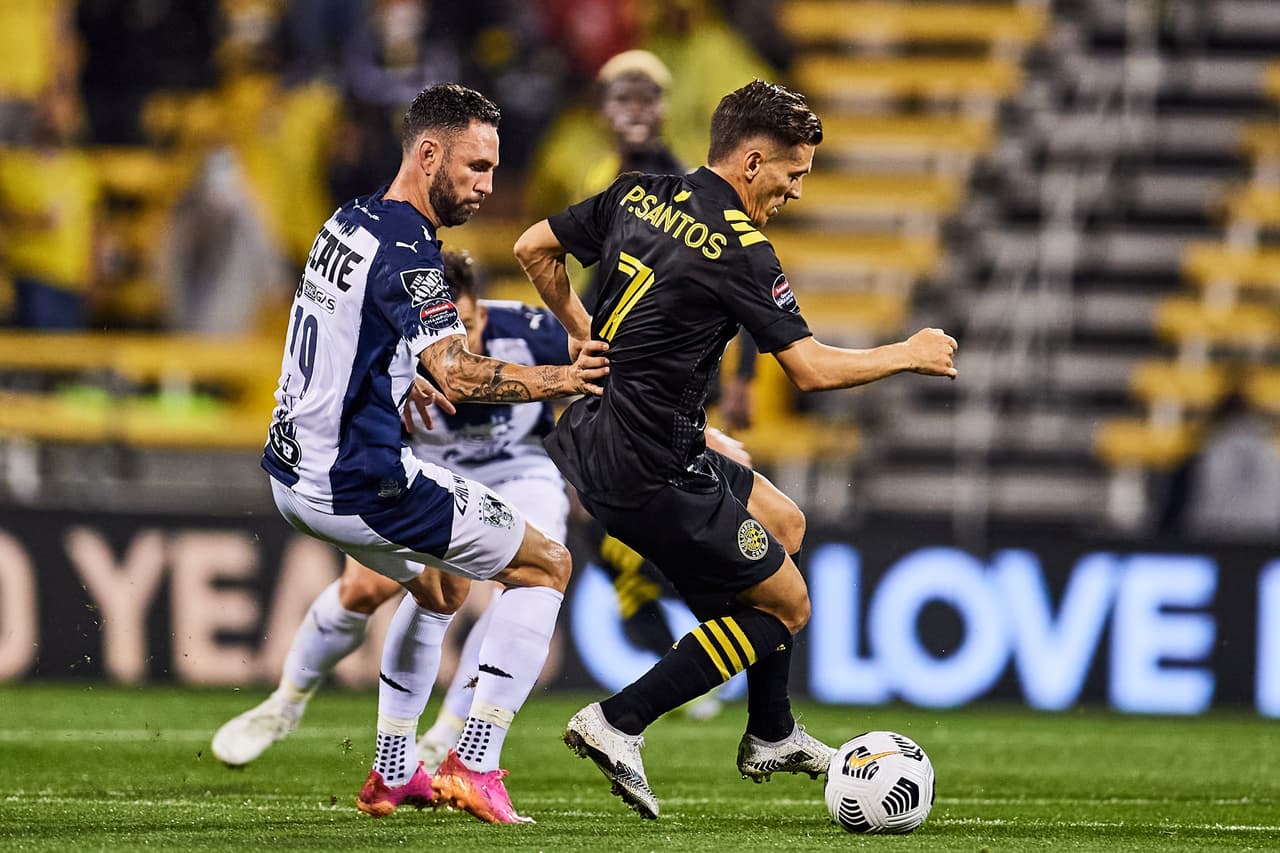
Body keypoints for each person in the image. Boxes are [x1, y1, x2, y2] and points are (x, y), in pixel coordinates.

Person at [513, 79, 958, 819]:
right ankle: (619, 720)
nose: (796, 190)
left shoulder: (638, 192)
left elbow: (534, 246)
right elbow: (810, 370)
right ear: (752, 163)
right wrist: (907, 352)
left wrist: (581, 328)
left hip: (608, 432)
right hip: (651, 466)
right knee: (787, 604)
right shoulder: (743, 250)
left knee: (785, 525)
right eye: (794, 172)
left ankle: (772, 731)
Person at [258, 83, 608, 824]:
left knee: (444, 590)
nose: (487, 186)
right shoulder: (411, 254)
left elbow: (358, 331)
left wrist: (399, 370)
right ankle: (473, 759)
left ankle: (393, 774)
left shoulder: (348, 218)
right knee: (546, 563)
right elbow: (457, 370)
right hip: (357, 479)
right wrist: (561, 377)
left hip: (291, 467)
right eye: (476, 167)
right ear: (427, 154)